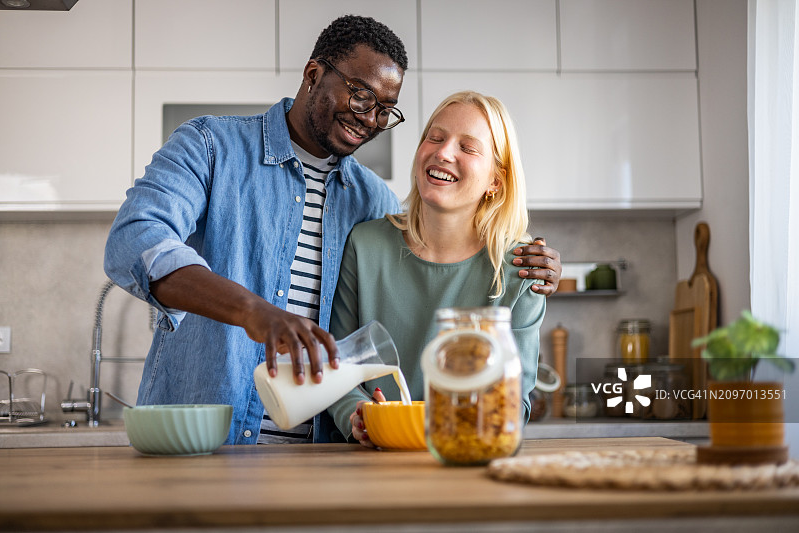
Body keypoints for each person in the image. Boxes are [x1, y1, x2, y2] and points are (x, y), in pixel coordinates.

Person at [103, 15, 561, 445]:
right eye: (361, 95)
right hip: (200, 444)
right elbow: (136, 239)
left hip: (314, 463)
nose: (369, 117)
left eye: (385, 109)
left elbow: (358, 350)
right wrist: (252, 311)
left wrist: (538, 263)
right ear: (313, 74)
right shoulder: (211, 146)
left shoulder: (372, 203)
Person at [327, 91, 546, 447]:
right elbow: (340, 367)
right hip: (374, 464)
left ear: (496, 181)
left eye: (468, 147)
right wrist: (357, 414)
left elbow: (513, 401)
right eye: (436, 137)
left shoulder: (520, 268)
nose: (443, 152)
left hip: (466, 461)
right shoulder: (365, 245)